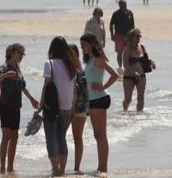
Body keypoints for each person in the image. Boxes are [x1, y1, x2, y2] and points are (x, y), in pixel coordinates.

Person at [0, 43, 39, 174]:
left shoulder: (18, 69)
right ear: (12, 53)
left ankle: (10, 167)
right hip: (5, 105)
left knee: (15, 137)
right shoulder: (4, 67)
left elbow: (22, 87)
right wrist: (6, 75)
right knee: (6, 136)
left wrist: (31, 99)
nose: (21, 56)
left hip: (16, 106)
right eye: (19, 53)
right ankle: (2, 167)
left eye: (22, 54)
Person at [80, 33, 119, 174]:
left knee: (101, 135)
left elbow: (115, 74)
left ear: (91, 44)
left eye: (84, 44)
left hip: (99, 99)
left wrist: (103, 86)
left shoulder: (99, 59)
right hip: (92, 100)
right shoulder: (89, 60)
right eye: (81, 45)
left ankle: (103, 168)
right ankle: (100, 167)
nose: (82, 47)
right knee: (97, 135)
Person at [39, 37, 76, 177]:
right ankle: (62, 170)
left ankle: (55, 169)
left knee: (51, 138)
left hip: (52, 107)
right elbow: (73, 88)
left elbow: (46, 87)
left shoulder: (49, 64)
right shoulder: (71, 65)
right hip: (67, 106)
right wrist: (72, 107)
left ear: (51, 49)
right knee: (62, 138)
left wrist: (40, 106)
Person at [68, 44, 90, 174]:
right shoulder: (66, 69)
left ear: (76, 54)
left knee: (77, 137)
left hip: (80, 106)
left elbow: (84, 90)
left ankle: (76, 167)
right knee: (60, 137)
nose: (69, 56)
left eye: (72, 53)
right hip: (66, 106)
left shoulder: (81, 70)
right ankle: (59, 165)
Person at [122, 29, 154, 111]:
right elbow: (125, 64)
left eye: (140, 36)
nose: (139, 38)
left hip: (141, 76)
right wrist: (133, 72)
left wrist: (151, 62)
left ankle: (139, 117)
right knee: (128, 99)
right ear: (131, 37)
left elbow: (146, 60)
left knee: (141, 98)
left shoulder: (142, 47)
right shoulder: (127, 49)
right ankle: (125, 113)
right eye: (137, 36)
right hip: (129, 76)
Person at [109, 1, 135, 69]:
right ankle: (120, 67)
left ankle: (128, 66)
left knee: (129, 52)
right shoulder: (116, 14)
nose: (123, 6)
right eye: (122, 5)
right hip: (119, 35)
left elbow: (133, 25)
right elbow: (111, 25)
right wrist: (112, 35)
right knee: (119, 52)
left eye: (124, 4)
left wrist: (133, 35)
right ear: (119, 5)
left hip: (129, 35)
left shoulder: (130, 13)